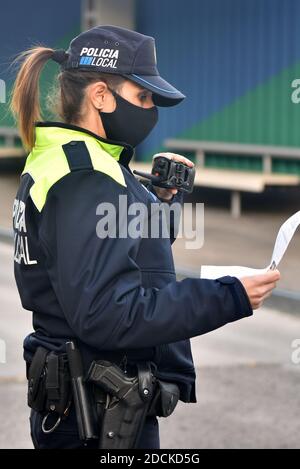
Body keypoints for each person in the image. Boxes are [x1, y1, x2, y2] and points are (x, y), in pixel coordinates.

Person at [10, 25, 280, 449]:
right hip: (97, 417)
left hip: (85, 408)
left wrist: (161, 199)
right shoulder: (86, 178)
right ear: (100, 95)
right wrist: (230, 296)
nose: (151, 108)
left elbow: (121, 254)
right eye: (143, 97)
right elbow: (109, 314)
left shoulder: (68, 162)